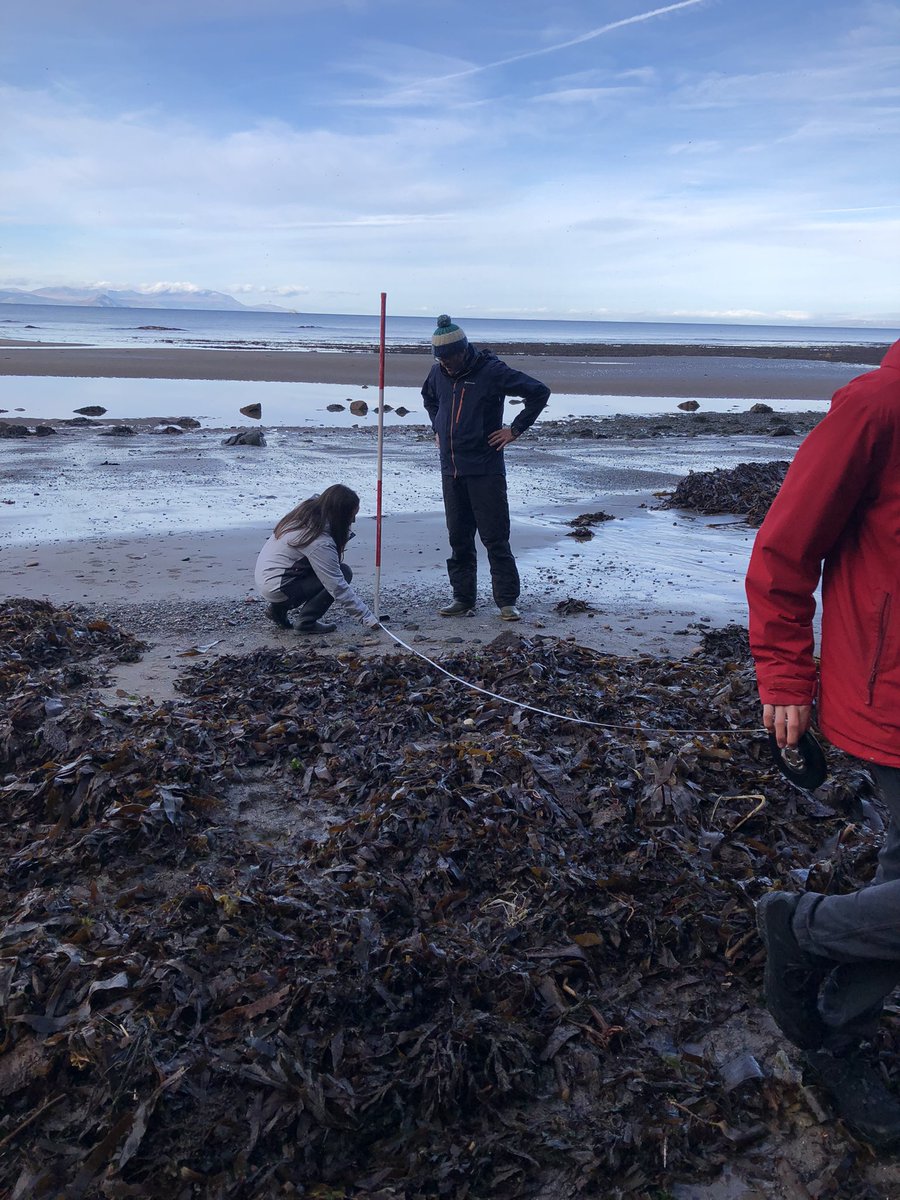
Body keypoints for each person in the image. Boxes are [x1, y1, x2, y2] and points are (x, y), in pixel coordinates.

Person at [746, 337, 900, 1147]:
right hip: (890, 696)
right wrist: (783, 676)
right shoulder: (876, 408)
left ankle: (839, 1032)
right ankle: (799, 928)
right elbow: (783, 547)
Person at [422, 314, 550, 622]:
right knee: (459, 538)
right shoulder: (437, 373)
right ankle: (462, 599)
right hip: (450, 468)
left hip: (485, 468)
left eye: (451, 358)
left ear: (464, 350)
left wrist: (515, 430)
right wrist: (437, 428)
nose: (448, 364)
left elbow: (539, 392)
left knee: (495, 537)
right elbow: (429, 399)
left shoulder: (492, 372)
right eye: (442, 359)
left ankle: (506, 601)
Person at [254, 484, 380, 634]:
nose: (353, 521)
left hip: (268, 579)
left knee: (317, 568)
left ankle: (277, 610)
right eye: (351, 516)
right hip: (279, 587)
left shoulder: (305, 514)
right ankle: (306, 623)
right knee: (343, 572)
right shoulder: (318, 539)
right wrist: (367, 617)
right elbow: (336, 585)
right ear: (339, 513)